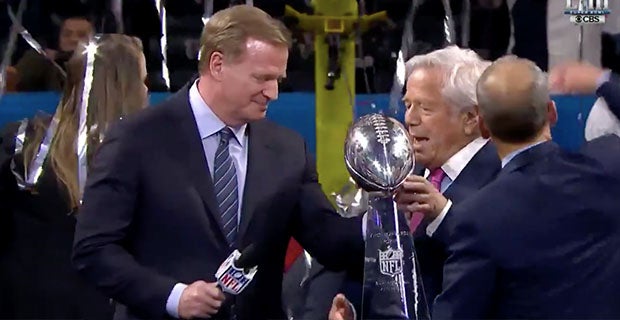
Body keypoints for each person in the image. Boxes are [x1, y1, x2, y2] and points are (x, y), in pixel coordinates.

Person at [71, 5, 365, 320]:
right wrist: (173, 296)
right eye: (262, 78)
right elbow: (94, 249)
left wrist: (384, 218)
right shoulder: (137, 139)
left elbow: (330, 241)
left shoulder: (288, 150)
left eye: (278, 79)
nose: (274, 92)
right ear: (218, 64)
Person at [330, 56, 620, 320]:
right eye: (407, 106)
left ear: (478, 123)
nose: (410, 119)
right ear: (552, 113)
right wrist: (601, 80)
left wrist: (445, 214)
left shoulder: (478, 215)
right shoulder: (605, 168)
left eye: (426, 107)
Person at [0, 34, 148, 319]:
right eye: (142, 79)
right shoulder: (150, 157)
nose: (146, 90)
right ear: (127, 89)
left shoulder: (22, 145)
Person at [13, 15, 94, 92]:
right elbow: (12, 78)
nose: (73, 39)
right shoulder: (44, 60)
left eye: (81, 35)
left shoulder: (102, 66)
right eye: (67, 34)